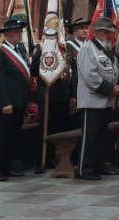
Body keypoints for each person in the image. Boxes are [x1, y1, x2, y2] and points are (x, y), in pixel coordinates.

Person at [0, 17, 33, 181]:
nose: (19, 35)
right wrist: (5, 102)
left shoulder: (20, 50)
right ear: (6, 34)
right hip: (7, 102)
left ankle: (7, 167)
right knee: (1, 137)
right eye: (15, 32)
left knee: (13, 136)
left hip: (19, 101)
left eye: (20, 32)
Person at [76, 16, 119, 180]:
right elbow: (90, 76)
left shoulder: (105, 50)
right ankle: (84, 168)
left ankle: (98, 165)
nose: (111, 36)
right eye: (109, 33)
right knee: (90, 136)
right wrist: (110, 89)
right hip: (92, 100)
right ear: (101, 33)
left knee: (102, 136)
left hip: (105, 101)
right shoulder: (88, 49)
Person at [30, 37, 76, 173]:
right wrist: (44, 53)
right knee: (45, 128)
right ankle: (40, 160)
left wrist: (72, 94)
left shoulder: (65, 50)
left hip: (63, 96)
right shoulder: (41, 49)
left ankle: (54, 157)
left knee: (59, 129)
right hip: (47, 95)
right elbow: (33, 71)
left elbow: (71, 73)